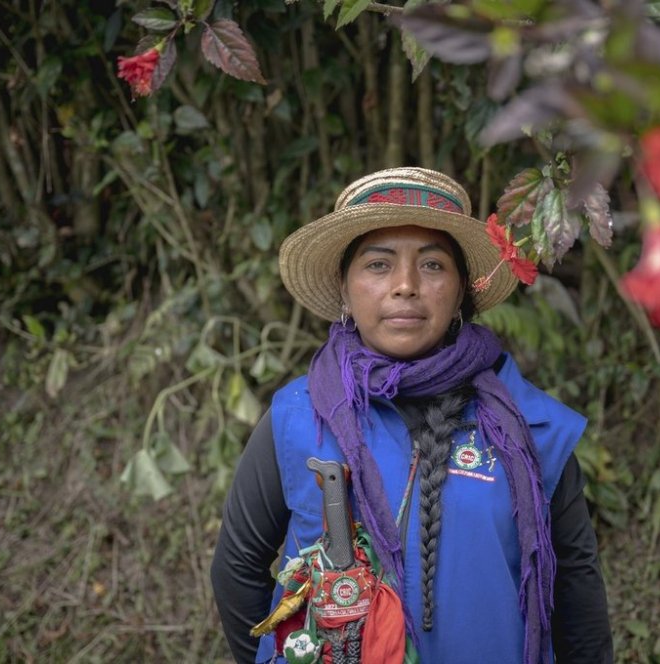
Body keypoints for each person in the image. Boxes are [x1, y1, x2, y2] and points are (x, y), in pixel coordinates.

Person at [211, 167, 612, 663]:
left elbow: (575, 588)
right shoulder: (296, 418)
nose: (405, 285)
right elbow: (237, 568)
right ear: (344, 287)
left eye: (432, 265)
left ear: (463, 287)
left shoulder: (530, 428)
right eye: (378, 265)